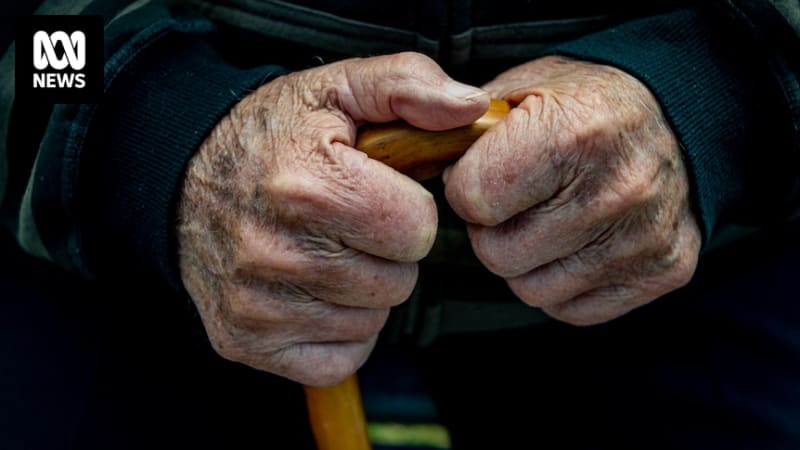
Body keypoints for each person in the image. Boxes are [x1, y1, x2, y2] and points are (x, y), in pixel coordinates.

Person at [1, 0, 799, 448]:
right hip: (136, 257)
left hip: (692, 248)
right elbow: (24, 41)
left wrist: (720, 90)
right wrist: (149, 130)